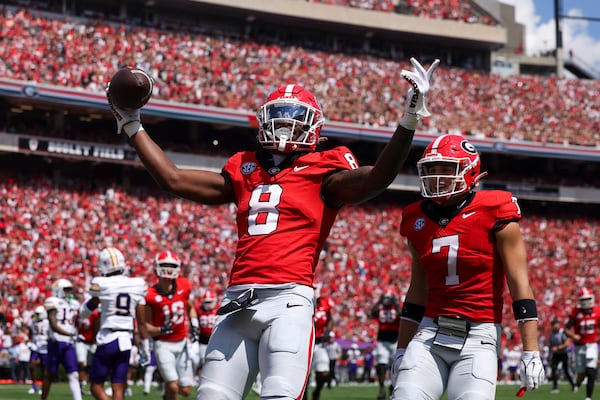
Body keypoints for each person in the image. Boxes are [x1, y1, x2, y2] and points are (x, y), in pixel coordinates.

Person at [108, 57, 439, 400]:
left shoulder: (325, 167)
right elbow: (172, 179)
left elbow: (377, 178)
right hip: (237, 301)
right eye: (279, 113)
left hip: (288, 301)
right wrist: (133, 124)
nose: (285, 122)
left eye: (295, 116)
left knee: (279, 395)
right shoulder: (243, 167)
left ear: (315, 127)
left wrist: (409, 119)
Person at [390, 134, 545, 399]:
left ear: (469, 170)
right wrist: (402, 348)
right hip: (429, 333)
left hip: (479, 335)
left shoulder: (496, 209)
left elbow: (519, 284)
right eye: (432, 169)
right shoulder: (416, 216)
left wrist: (531, 349)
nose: (437, 177)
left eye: (446, 169)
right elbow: (417, 290)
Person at [79, 247, 150, 400]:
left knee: (96, 386)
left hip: (108, 338)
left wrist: (85, 309)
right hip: (126, 340)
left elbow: (85, 311)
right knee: (118, 386)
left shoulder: (102, 284)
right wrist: (146, 348)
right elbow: (142, 323)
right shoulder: (137, 285)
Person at [145, 250, 199, 400]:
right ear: (156, 267)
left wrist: (194, 323)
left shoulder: (184, 285)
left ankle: (166, 393)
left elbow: (189, 306)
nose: (168, 268)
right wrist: (160, 329)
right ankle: (168, 388)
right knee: (173, 385)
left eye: (171, 265)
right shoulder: (150, 295)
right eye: (164, 265)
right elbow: (144, 326)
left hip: (182, 342)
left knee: (186, 390)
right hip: (163, 343)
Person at [42, 278, 82, 400]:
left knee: (74, 374)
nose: (68, 293)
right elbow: (54, 325)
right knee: (50, 374)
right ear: (58, 290)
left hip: (68, 343)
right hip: (56, 342)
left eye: (69, 290)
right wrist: (70, 334)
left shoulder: (73, 304)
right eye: (66, 290)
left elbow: (75, 322)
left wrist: (74, 332)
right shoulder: (52, 301)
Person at [564, 287, 599, 400]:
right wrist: (573, 336)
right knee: (581, 373)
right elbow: (566, 329)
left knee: (591, 371)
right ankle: (577, 383)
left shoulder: (597, 311)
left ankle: (588, 397)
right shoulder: (575, 312)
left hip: (592, 345)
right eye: (584, 299)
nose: (586, 302)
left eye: (588, 299)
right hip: (579, 346)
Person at [370, 291, 401, 399]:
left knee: (395, 366)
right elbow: (372, 313)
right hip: (382, 341)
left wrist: (395, 303)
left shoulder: (396, 308)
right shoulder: (380, 307)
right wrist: (379, 301)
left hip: (395, 340)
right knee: (381, 365)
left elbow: (402, 315)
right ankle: (382, 388)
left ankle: (393, 386)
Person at [194, 290, 218, 380]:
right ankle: (204, 377)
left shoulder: (218, 309)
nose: (208, 304)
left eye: (210, 302)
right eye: (206, 302)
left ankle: (213, 377)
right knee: (203, 359)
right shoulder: (198, 310)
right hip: (203, 339)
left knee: (215, 359)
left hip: (215, 338)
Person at [548, 318, 575, 393]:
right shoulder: (552, 334)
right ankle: (555, 387)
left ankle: (573, 384)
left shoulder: (562, 332)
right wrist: (551, 350)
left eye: (556, 325)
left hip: (564, 353)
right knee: (553, 369)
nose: (555, 326)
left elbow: (567, 343)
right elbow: (550, 344)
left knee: (566, 370)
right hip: (556, 354)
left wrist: (557, 348)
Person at [77, 307, 99, 395]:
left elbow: (97, 327)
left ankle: (87, 384)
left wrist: (95, 342)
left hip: (91, 342)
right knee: (82, 363)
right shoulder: (78, 313)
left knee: (90, 365)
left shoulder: (94, 315)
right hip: (81, 341)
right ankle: (82, 385)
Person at [27, 305, 49, 395]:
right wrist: (29, 342)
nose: (36, 316)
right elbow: (30, 333)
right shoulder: (33, 322)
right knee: (32, 365)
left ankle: (43, 386)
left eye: (38, 314)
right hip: (35, 346)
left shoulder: (47, 322)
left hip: (45, 346)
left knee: (44, 368)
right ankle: (34, 386)